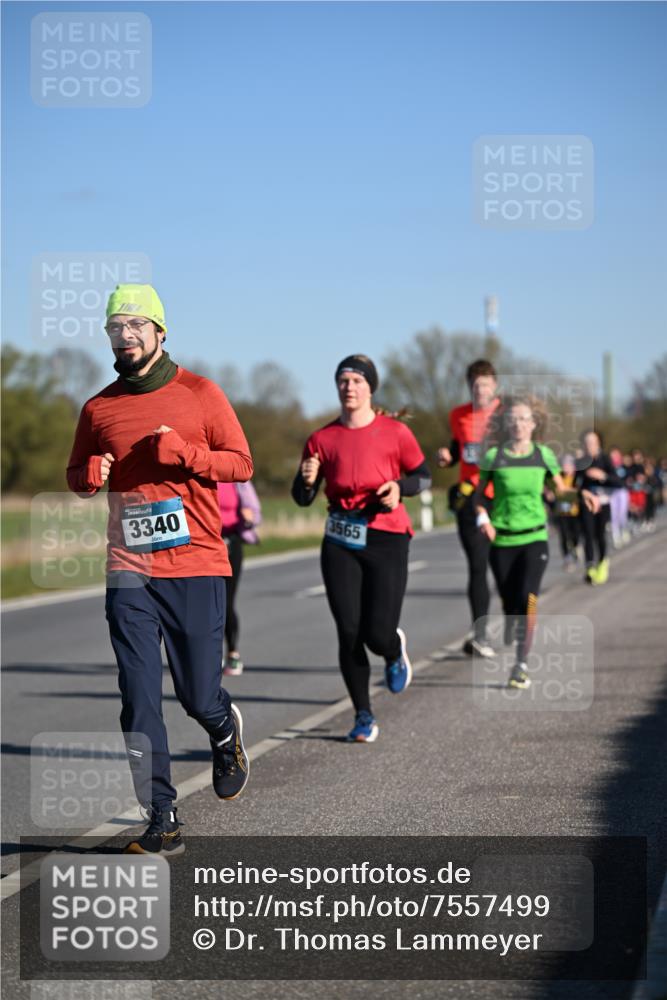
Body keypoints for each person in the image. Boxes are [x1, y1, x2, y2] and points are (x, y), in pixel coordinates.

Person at [66, 284, 253, 856]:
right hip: (130, 568)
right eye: (115, 329)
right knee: (139, 694)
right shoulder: (99, 408)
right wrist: (89, 473)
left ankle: (224, 732)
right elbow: (75, 474)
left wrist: (189, 456)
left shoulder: (200, 394)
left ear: (160, 332)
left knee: (198, 695)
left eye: (135, 327)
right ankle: (162, 812)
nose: (125, 338)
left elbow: (241, 464)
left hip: (195, 563)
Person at [292, 354, 430, 742]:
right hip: (340, 539)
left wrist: (398, 488)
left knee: (376, 632)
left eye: (356, 380)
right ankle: (363, 715)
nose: (349, 386)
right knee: (349, 631)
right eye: (343, 380)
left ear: (370, 387)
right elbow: (302, 498)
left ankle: (391, 649)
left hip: (386, 535)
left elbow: (423, 476)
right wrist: (306, 480)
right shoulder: (321, 439)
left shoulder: (395, 433)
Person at [475, 395, 598, 689]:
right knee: (510, 600)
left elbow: (560, 490)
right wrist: (484, 519)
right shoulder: (494, 457)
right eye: (512, 419)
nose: (518, 424)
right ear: (506, 424)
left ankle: (521, 664)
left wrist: (582, 495)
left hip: (534, 539)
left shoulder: (543, 455)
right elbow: (478, 495)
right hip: (502, 540)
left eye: (524, 419)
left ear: (533, 424)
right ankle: (510, 620)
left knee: (529, 600)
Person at [437, 359, 500, 658]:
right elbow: (458, 449)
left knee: (504, 567)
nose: (481, 390)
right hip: (471, 498)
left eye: (486, 384)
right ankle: (480, 634)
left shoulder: (509, 415)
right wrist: (447, 457)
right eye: (475, 385)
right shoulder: (458, 416)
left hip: (502, 498)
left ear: (495, 386)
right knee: (477, 566)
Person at [217, 480, 262, 675]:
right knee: (204, 602)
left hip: (231, 542)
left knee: (226, 601)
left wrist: (249, 518)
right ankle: (209, 653)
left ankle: (233, 653)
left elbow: (254, 510)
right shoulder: (196, 471)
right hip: (204, 544)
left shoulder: (235, 478)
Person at [575, 430, 624, 584]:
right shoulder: (581, 461)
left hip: (603, 503)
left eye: (593, 442)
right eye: (587, 443)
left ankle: (602, 563)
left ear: (599, 443)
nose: (590, 446)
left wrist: (602, 476)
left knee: (600, 535)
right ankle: (590, 567)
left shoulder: (605, 459)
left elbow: (618, 483)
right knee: (587, 534)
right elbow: (573, 484)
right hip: (586, 504)